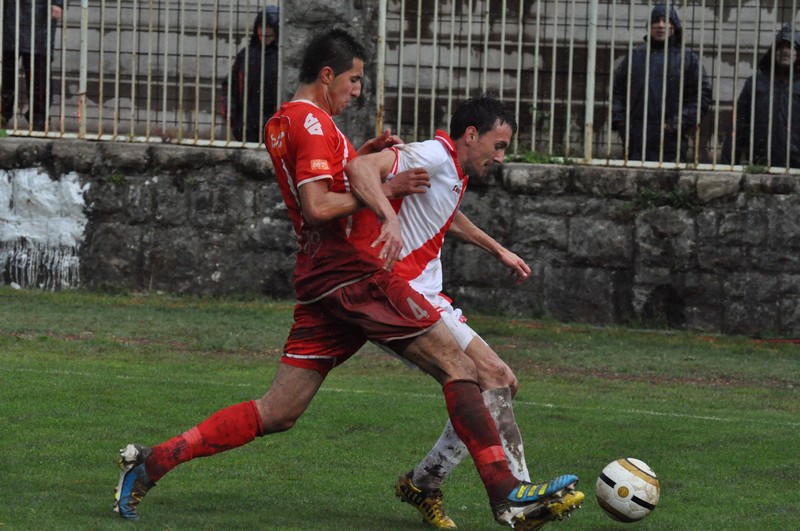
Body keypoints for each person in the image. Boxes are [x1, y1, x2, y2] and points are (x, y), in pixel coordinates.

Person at [113, 28, 579, 529]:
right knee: (460, 368)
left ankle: (152, 463)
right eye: (354, 80)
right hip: (353, 271)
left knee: (278, 411)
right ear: (328, 75)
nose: (358, 91)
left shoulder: (285, 122)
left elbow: (332, 180)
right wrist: (390, 191)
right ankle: (505, 494)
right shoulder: (311, 122)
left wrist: (371, 160)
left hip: (321, 280)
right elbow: (317, 207)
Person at [345, 95, 585, 529]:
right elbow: (361, 168)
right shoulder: (435, 153)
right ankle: (521, 495)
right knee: (490, 376)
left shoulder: (451, 169)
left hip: (430, 296)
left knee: (504, 383)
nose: (500, 156)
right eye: (498, 145)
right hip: (403, 295)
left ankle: (424, 482)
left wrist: (499, 250)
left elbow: (446, 214)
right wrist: (388, 217)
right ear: (470, 136)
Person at [611, 3, 712, 163]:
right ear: (649, 26)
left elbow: (702, 97)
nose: (660, 25)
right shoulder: (635, 56)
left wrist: (675, 125)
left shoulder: (688, 59)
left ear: (674, 26)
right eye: (656, 21)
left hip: (671, 141)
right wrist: (621, 122)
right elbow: (618, 91)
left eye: (666, 21)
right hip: (636, 139)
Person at [721, 24, 800, 169]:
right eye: (780, 46)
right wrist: (728, 166)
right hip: (760, 163)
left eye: (790, 47)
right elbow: (738, 124)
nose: (784, 51)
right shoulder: (756, 83)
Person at [1, 0, 63, 130]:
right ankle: (4, 113)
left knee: (38, 72)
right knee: (7, 71)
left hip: (40, 14)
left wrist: (58, 3)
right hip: (11, 12)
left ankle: (39, 118)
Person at [220, 6, 279, 143]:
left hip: (274, 126)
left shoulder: (283, 58)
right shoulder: (246, 55)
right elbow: (229, 86)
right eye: (261, 28)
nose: (264, 33)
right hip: (245, 125)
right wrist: (231, 115)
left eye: (269, 31)